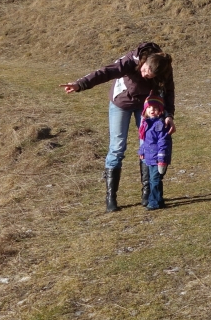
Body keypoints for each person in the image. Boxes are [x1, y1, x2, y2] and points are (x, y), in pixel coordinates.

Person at [62, 42, 175, 212]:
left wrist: (169, 115)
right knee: (117, 147)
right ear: (143, 63)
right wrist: (81, 84)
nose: (144, 75)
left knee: (148, 145)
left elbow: (168, 92)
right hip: (121, 103)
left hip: (146, 107)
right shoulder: (131, 60)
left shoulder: (164, 68)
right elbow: (106, 72)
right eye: (144, 71)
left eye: (149, 76)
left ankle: (147, 193)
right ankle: (111, 197)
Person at [138, 95, 172, 210]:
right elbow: (145, 141)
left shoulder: (159, 124)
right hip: (149, 157)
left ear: (160, 110)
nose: (152, 110)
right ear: (145, 110)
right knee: (154, 179)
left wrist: (162, 158)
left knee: (155, 179)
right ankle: (159, 200)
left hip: (157, 158)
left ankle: (153, 202)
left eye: (155, 108)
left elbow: (163, 142)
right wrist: (142, 150)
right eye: (149, 108)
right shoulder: (146, 123)